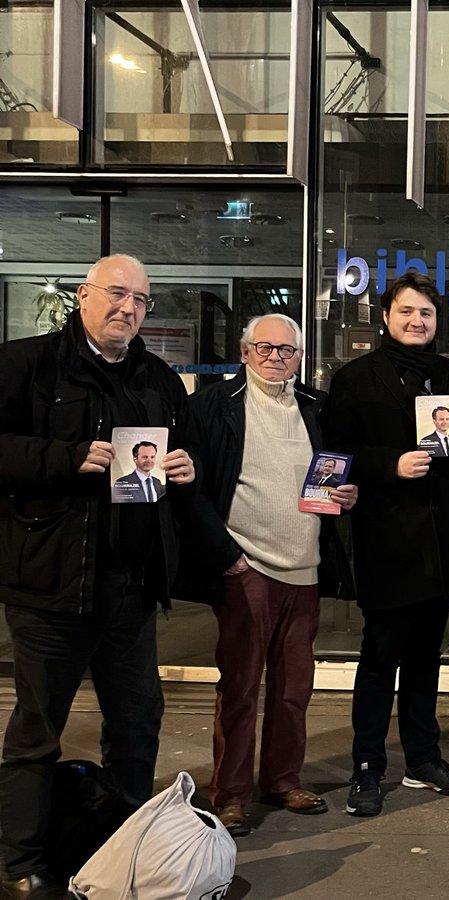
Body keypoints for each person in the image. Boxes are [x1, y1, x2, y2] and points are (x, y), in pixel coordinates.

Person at [0, 254, 195, 900]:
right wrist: (64, 457)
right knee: (37, 730)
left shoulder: (157, 377)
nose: (128, 309)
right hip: (51, 585)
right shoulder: (28, 366)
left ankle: (129, 847)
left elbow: (181, 454)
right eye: (117, 294)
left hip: (129, 589)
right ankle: (21, 862)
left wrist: (186, 466)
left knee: (137, 725)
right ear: (83, 294)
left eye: (141, 300)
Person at [175, 313, 358, 838]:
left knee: (293, 689)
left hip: (306, 568)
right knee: (240, 689)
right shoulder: (213, 406)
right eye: (266, 348)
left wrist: (348, 496)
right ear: (244, 351)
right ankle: (230, 795)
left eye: (289, 351)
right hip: (245, 565)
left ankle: (282, 780)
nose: (277, 358)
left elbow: (336, 477)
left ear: (301, 357)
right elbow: (195, 489)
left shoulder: (316, 408)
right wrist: (225, 556)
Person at [322, 271, 449, 817]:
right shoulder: (355, 379)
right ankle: (366, 766)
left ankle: (423, 760)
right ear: (386, 316)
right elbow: (335, 453)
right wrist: (388, 465)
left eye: (427, 314)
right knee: (379, 655)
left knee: (425, 658)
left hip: (442, 540)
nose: (417, 321)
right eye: (407, 312)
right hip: (386, 537)